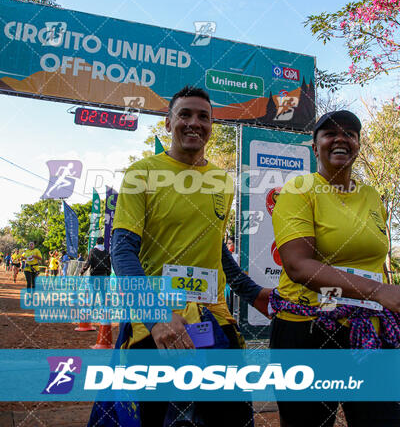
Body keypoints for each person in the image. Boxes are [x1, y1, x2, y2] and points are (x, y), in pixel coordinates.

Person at [109, 85, 271, 427]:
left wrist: (253, 293)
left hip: (213, 322)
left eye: (203, 117)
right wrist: (156, 316)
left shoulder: (222, 182)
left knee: (227, 418)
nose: (194, 123)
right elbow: (122, 250)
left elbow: (217, 252)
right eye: (184, 114)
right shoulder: (142, 173)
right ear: (168, 123)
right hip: (158, 326)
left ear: (212, 125)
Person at [270, 110, 400, 427]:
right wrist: (379, 291)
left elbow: (373, 261)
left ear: (357, 145)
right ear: (315, 147)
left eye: (350, 133)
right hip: (308, 331)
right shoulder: (299, 190)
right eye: (329, 133)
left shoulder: (371, 196)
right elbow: (299, 266)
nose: (341, 138)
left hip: (367, 330)